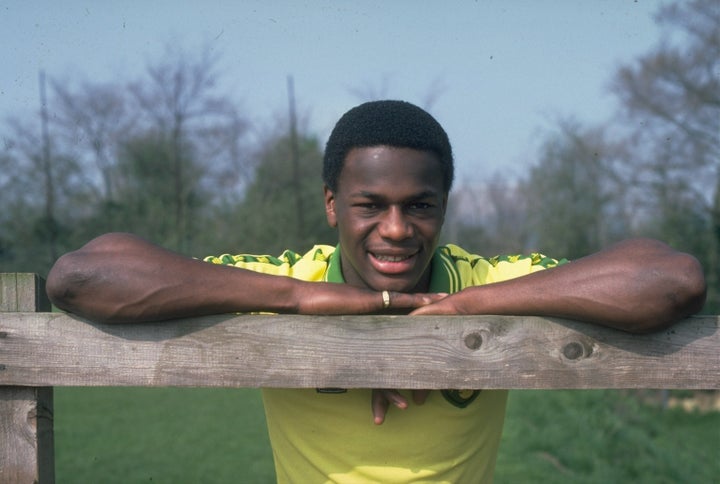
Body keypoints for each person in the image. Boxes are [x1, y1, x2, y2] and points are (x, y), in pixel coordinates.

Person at [46, 100, 706, 483]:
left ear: (444, 206)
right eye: (370, 206)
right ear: (332, 205)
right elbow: (79, 276)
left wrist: (459, 313)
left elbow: (673, 279)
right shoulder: (287, 278)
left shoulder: (486, 283)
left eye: (419, 206)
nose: (396, 230)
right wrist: (300, 303)